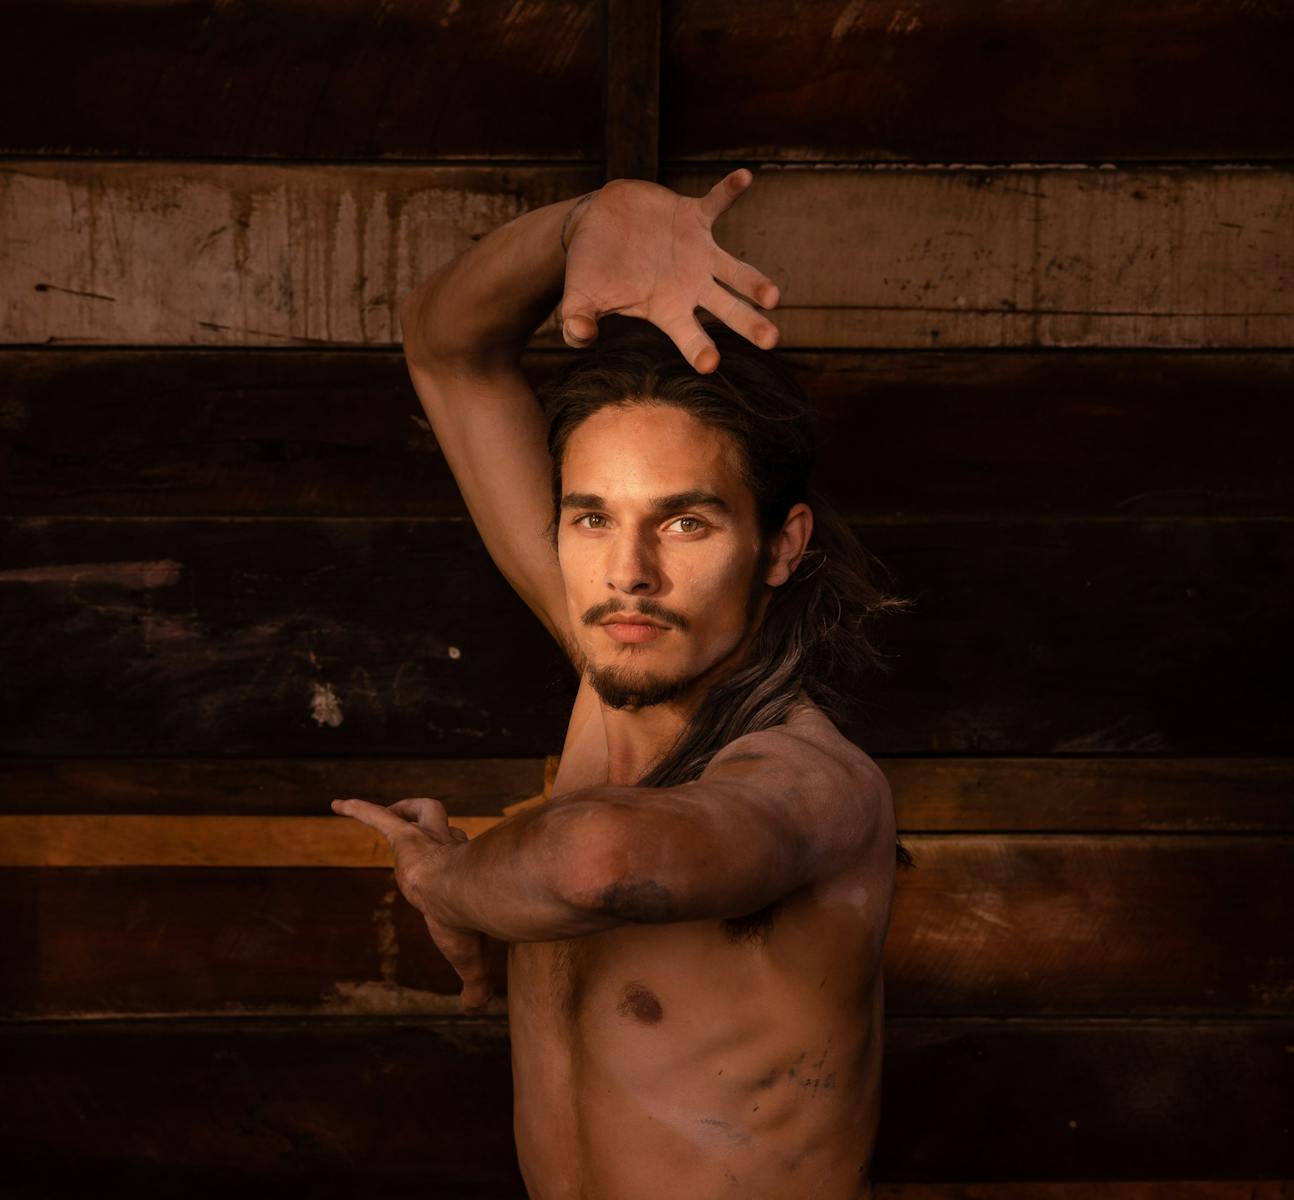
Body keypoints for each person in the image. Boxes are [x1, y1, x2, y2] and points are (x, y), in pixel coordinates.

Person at [331, 168, 912, 1200]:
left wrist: (446, 883)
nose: (629, 570)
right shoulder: (618, 641)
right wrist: (577, 226)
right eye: (592, 517)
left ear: (780, 546)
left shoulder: (808, 780)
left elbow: (598, 859)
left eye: (687, 522)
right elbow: (447, 348)